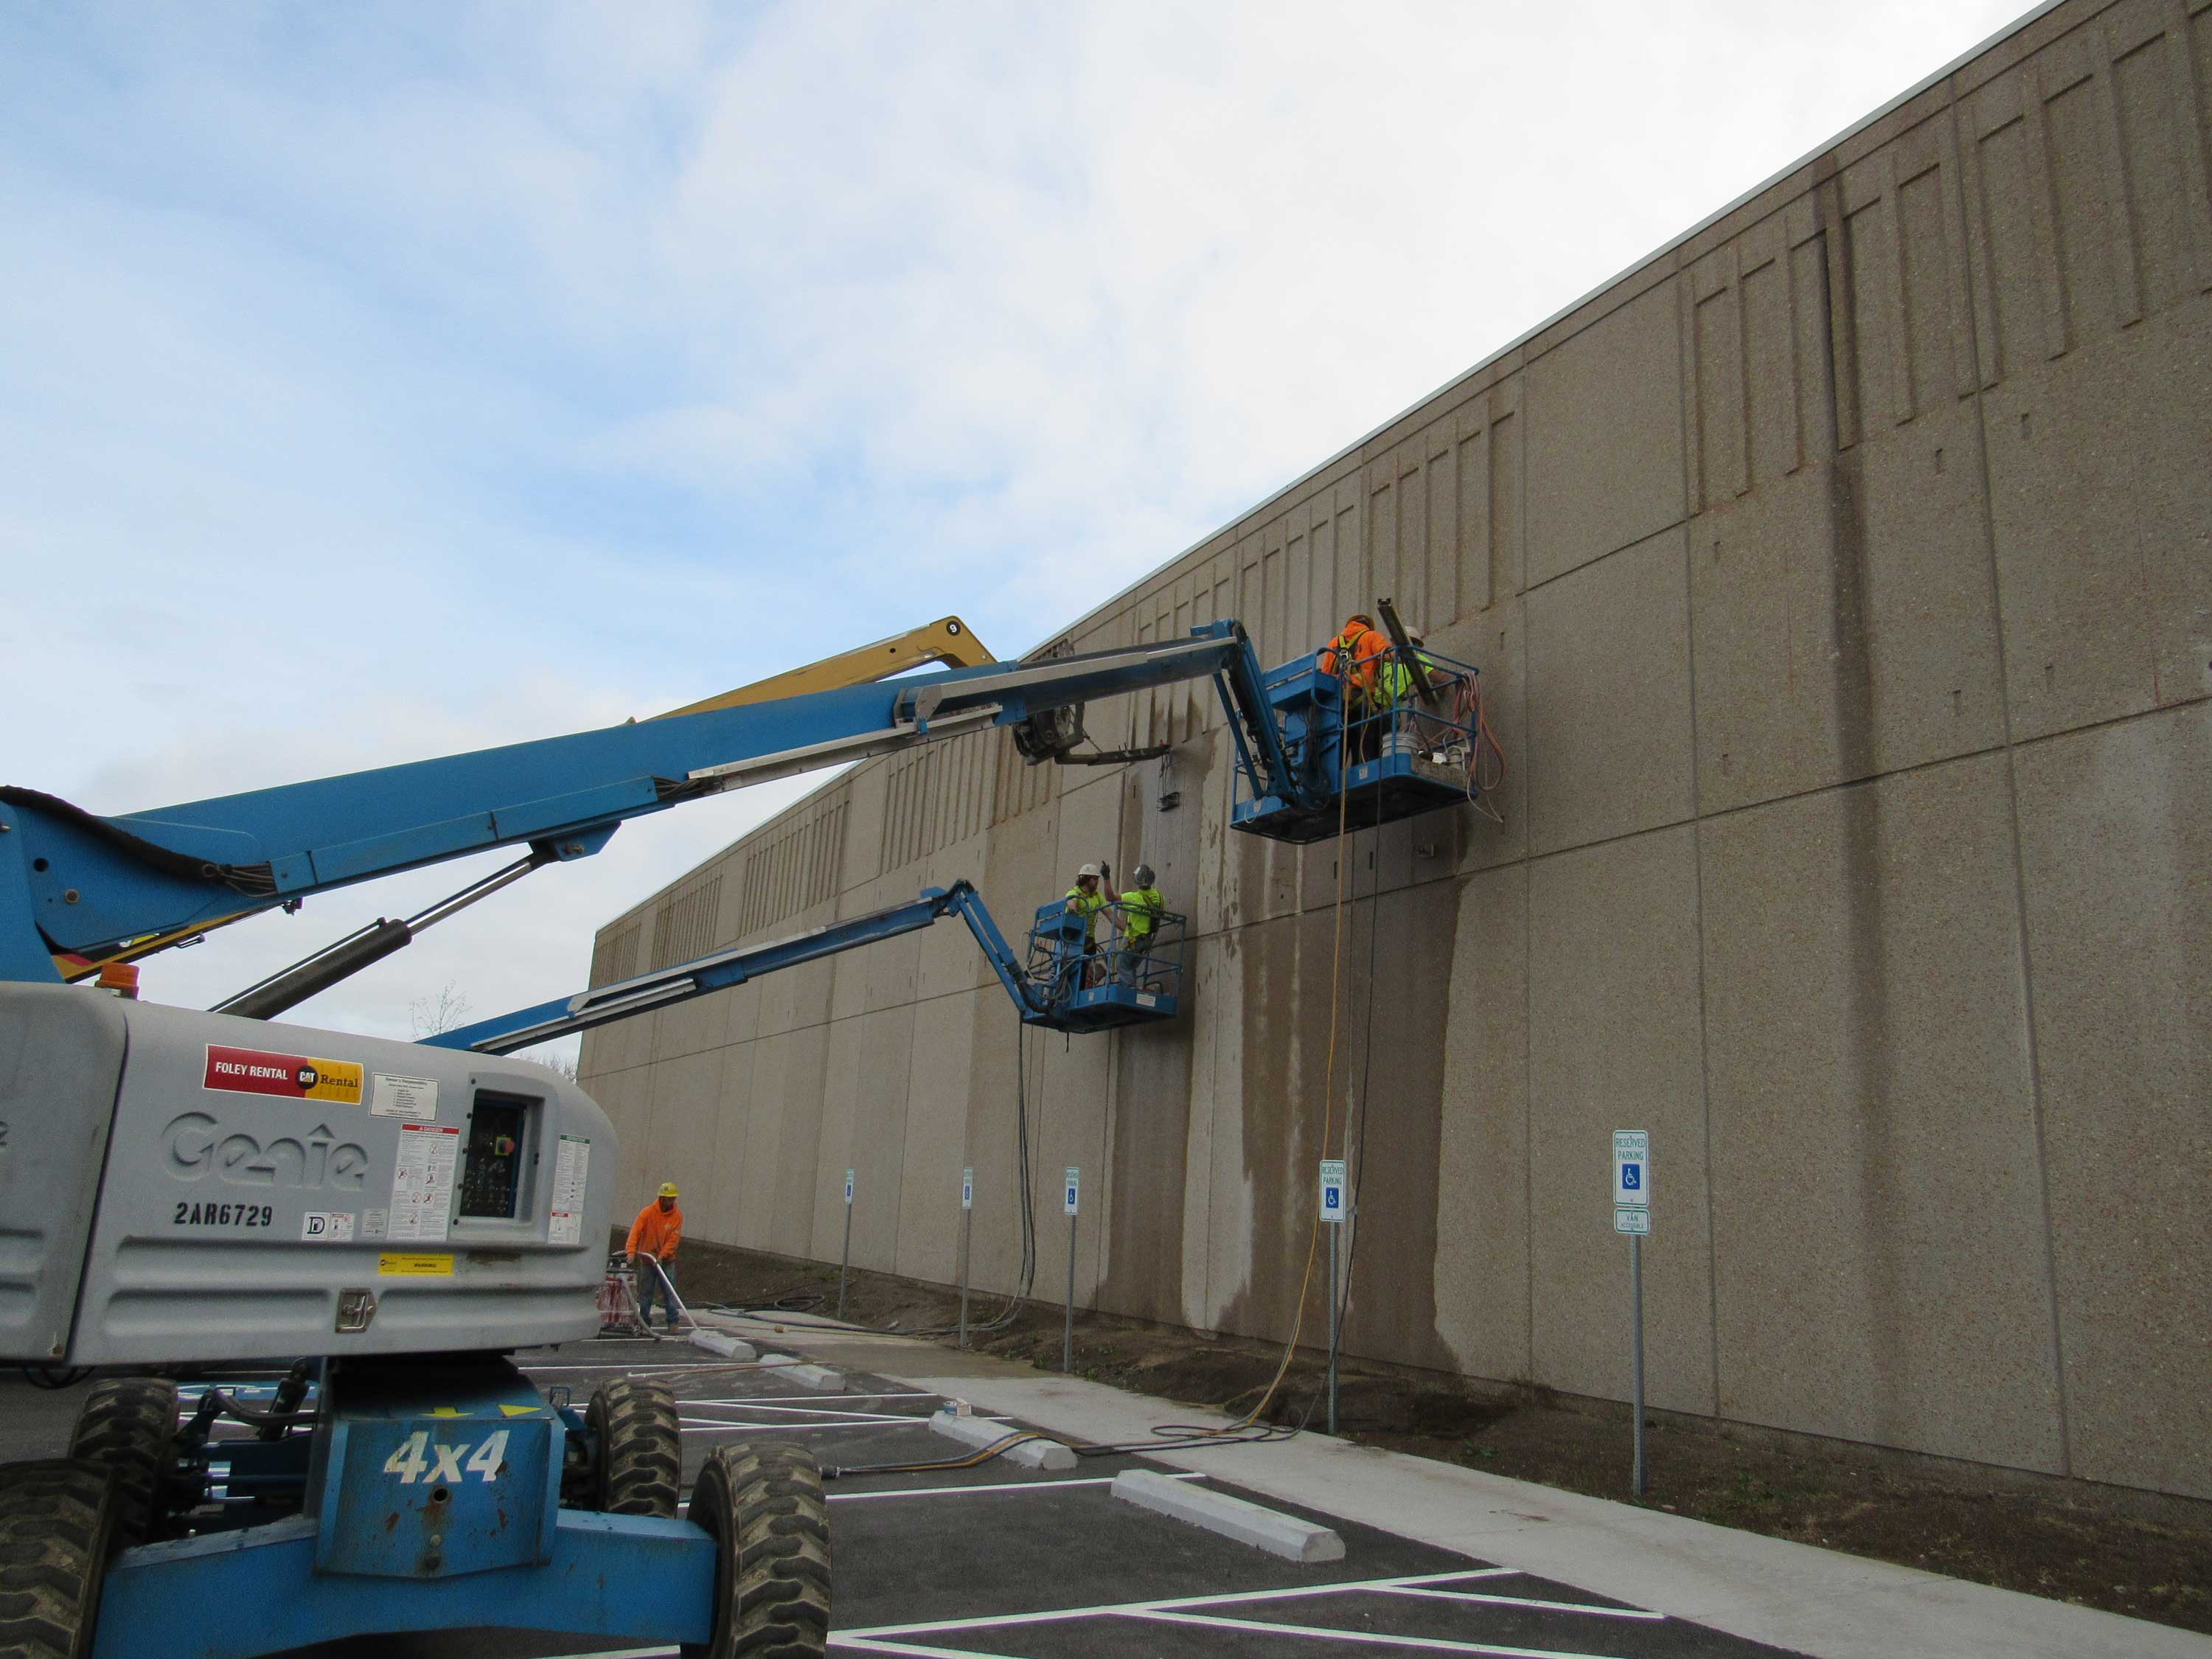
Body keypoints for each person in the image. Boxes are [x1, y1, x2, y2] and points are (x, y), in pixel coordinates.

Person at [1318, 612, 1390, 762]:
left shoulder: (1333, 644)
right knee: (1364, 752)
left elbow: (1325, 675)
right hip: (1360, 702)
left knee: (1336, 754)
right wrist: (1404, 655)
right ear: (1367, 626)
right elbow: (1387, 654)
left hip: (1336, 705)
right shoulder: (1371, 636)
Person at [627, 1181, 684, 1331]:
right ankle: (644, 1321)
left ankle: (673, 1322)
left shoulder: (677, 1216)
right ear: (661, 1198)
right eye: (668, 1199)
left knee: (669, 1291)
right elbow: (635, 1232)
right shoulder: (647, 1213)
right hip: (648, 1259)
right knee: (646, 1292)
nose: (671, 1202)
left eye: (673, 1199)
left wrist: (663, 1255)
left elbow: (673, 1240)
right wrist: (631, 1252)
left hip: (667, 1260)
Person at [1063, 861, 1116, 992]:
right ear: (1086, 879)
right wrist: (1073, 911)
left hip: (1089, 942)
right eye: (1095, 879)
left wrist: (1126, 929)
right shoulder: (1075, 892)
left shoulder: (1097, 897)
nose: (1097, 882)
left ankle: (1083, 989)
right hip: (1074, 940)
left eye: (1098, 879)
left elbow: (1110, 915)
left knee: (1085, 972)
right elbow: (1071, 903)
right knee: (1072, 971)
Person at [1114, 863, 1166, 987]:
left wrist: (1106, 877)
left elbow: (1111, 897)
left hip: (1134, 938)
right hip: (1148, 939)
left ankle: (1129, 990)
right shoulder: (1161, 897)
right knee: (1131, 967)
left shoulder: (1135, 898)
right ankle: (1131, 988)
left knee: (1122, 964)